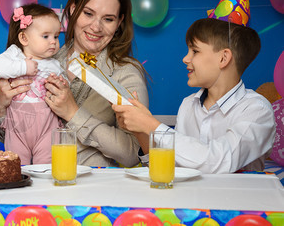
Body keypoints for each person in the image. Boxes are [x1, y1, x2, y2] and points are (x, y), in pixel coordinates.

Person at [0, 0, 149, 167]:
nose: (96, 27)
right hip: (34, 183)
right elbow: (13, 139)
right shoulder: (39, 59)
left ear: (119, 23)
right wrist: (0, 108)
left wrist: (74, 113)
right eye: (88, 14)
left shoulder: (125, 72)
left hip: (87, 188)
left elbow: (134, 153)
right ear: (74, 9)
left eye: (108, 19)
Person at [112, 18, 276, 173]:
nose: (185, 58)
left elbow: (217, 162)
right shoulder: (188, 104)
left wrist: (151, 125)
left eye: (195, 51)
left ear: (223, 58)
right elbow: (171, 168)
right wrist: (140, 130)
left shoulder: (257, 110)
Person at [0, 4, 65, 165]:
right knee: (16, 167)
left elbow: (65, 91)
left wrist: (63, 84)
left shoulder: (55, 64)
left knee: (46, 169)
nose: (53, 42)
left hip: (47, 126)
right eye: (46, 36)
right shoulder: (15, 55)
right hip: (17, 126)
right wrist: (23, 67)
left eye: (56, 36)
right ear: (24, 38)